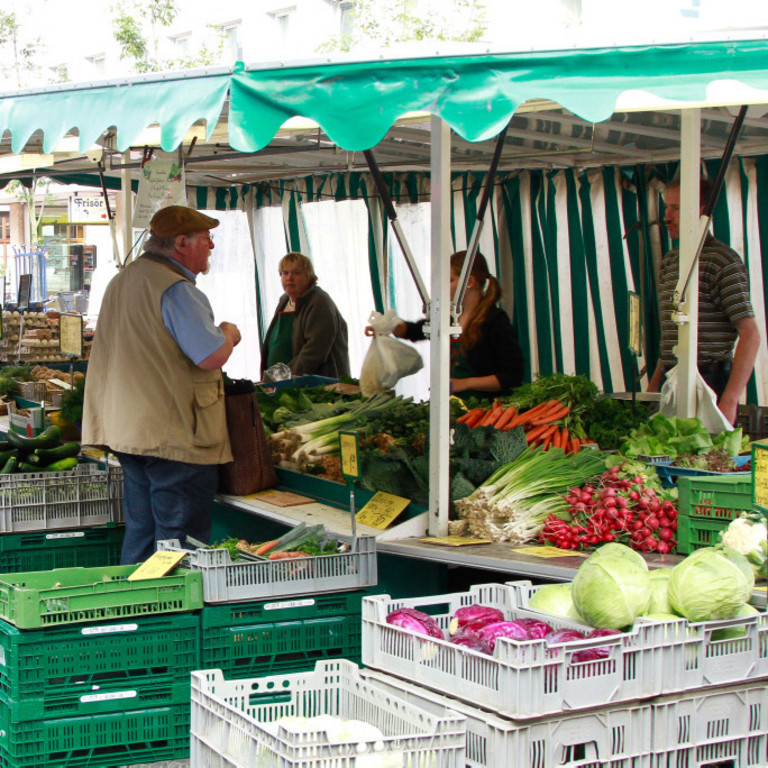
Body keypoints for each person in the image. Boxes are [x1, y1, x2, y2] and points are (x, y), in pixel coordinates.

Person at [82, 205, 242, 564]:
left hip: (130, 430)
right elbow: (210, 355)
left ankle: (132, 608)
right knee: (178, 540)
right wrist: (229, 334)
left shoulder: (124, 279)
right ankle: (171, 612)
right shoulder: (176, 289)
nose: (211, 247)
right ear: (182, 243)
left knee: (142, 530)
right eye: (206, 239)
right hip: (173, 437)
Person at [648, 179, 760, 425]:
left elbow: (750, 334)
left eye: (676, 208)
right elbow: (672, 334)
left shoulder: (722, 261)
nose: (666, 217)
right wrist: (654, 387)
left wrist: (729, 400)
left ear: (700, 210)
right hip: (671, 380)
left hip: (710, 382)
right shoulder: (670, 261)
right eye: (667, 207)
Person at [370, 250, 524, 397]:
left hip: (487, 412)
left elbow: (512, 376)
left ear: (469, 281)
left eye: (450, 280)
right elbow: (415, 330)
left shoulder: (495, 321)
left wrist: (464, 384)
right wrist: (387, 327)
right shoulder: (449, 318)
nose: (444, 287)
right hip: (453, 408)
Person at [261, 252, 350, 379]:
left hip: (315, 384)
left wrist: (284, 376)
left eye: (296, 273)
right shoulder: (284, 300)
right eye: (285, 273)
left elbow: (315, 352)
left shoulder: (319, 302)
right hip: (281, 383)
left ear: (309, 276)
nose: (289, 278)